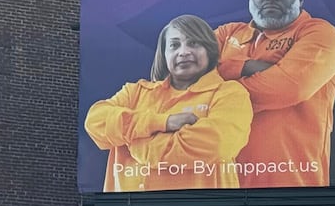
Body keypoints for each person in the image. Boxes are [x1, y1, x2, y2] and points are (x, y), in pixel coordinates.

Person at [85, 15, 253, 191]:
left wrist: (138, 143)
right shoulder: (135, 92)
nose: (184, 52)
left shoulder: (230, 93)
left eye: (194, 43)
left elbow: (216, 145)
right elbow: (95, 122)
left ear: (210, 50)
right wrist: (164, 122)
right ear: (164, 54)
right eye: (174, 45)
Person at [215, 0, 335, 187]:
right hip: (221, 187)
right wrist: (252, 67)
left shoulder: (319, 32)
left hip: (292, 190)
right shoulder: (227, 33)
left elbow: (290, 87)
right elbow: (184, 79)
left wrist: (223, 75)